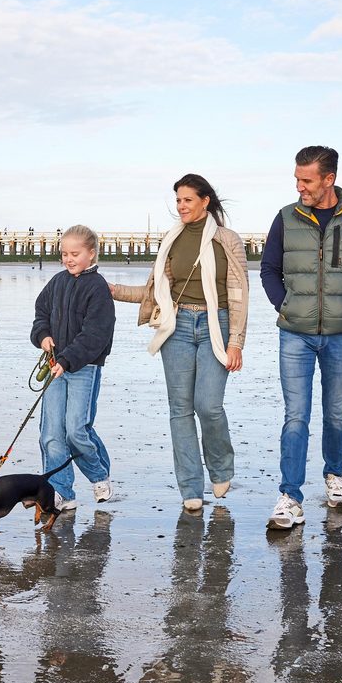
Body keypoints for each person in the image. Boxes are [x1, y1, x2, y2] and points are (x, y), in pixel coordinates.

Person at [260, 146, 342, 530]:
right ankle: (290, 498)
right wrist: (285, 305)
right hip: (295, 335)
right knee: (295, 416)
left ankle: (334, 476)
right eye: (297, 179)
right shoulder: (285, 218)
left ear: (328, 179)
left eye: (307, 180)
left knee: (336, 412)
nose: (300, 187)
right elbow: (269, 268)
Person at [108, 174, 249, 514]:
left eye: (187, 199)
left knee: (209, 406)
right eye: (178, 200)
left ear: (205, 201)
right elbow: (155, 291)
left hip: (217, 322)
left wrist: (236, 343)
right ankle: (190, 487)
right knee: (180, 409)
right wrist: (112, 290)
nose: (181, 206)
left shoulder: (228, 240)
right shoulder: (171, 240)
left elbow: (240, 295)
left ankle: (220, 468)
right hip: (178, 325)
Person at [32, 224, 116, 510]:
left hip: (84, 368)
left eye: (75, 253)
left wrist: (68, 361)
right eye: (64, 253)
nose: (69, 259)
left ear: (91, 254)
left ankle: (99, 475)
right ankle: (62, 492)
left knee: (76, 431)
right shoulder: (56, 282)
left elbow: (96, 334)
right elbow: (40, 313)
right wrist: (42, 336)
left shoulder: (98, 288)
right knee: (51, 433)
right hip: (55, 367)